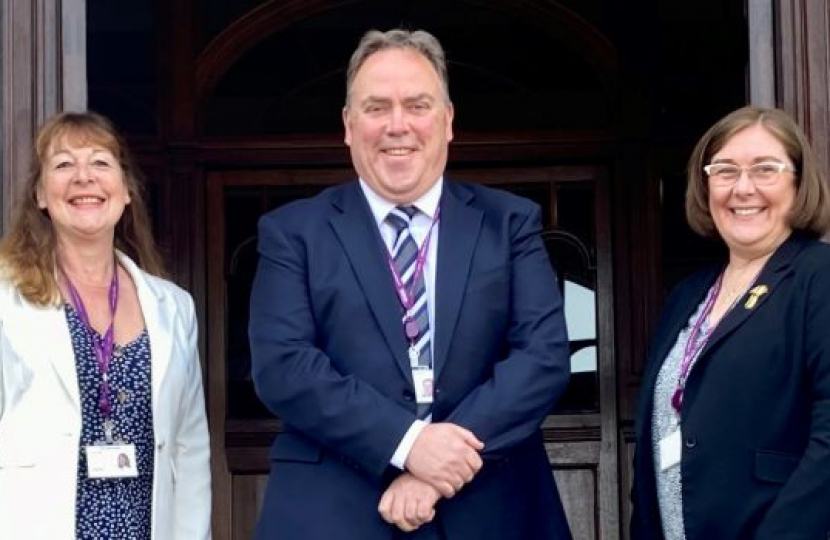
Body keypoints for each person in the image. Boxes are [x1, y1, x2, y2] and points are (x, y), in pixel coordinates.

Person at [249, 28, 572, 539]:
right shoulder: (292, 233)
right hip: (335, 511)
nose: (397, 126)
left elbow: (544, 357)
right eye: (376, 108)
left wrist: (440, 466)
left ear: (447, 122)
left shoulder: (510, 222)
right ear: (348, 126)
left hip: (492, 509)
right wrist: (406, 443)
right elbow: (284, 366)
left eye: (417, 105)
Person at [0, 111, 211, 539]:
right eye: (63, 164)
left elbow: (190, 450)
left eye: (100, 162)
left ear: (126, 190)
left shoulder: (173, 307)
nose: (84, 178)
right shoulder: (6, 299)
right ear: (40, 195)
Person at [630, 106, 830, 539]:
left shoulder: (819, 276)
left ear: (798, 182)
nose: (743, 188)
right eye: (724, 171)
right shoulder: (687, 295)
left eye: (765, 169)